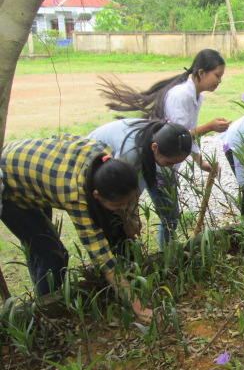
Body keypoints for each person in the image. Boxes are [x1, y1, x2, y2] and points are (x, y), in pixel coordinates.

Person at [0, 135, 155, 321]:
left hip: (36, 172)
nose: (122, 209)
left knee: (40, 249)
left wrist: (129, 218)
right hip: (9, 187)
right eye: (117, 205)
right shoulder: (75, 195)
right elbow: (102, 257)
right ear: (96, 195)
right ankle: (45, 317)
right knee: (52, 257)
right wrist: (138, 307)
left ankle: (44, 304)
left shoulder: (104, 155)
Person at [99, 49, 231, 246]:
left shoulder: (194, 96)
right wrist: (209, 127)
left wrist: (199, 160)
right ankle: (155, 254)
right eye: (217, 75)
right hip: (155, 162)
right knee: (149, 210)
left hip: (160, 160)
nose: (219, 80)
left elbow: (183, 138)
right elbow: (179, 136)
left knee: (167, 215)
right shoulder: (180, 95)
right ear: (202, 73)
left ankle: (164, 255)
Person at [87, 119, 192, 246]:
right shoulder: (130, 153)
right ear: (155, 147)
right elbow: (121, 192)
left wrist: (133, 216)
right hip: (97, 168)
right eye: (169, 162)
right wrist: (128, 221)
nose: (170, 167)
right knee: (114, 221)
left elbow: (134, 191)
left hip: (122, 166)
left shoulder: (160, 137)